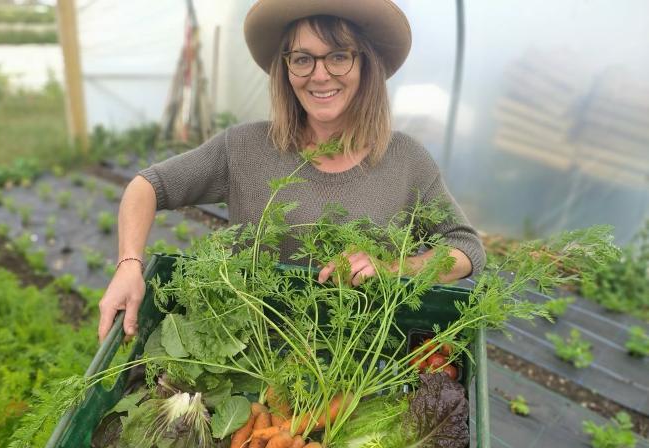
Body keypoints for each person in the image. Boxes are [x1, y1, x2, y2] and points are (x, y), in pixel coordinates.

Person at [97, 0, 486, 343]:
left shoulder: (405, 159)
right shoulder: (243, 147)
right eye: (302, 59)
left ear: (365, 63)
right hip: (246, 354)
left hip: (360, 358)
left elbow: (466, 248)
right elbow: (147, 186)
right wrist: (129, 264)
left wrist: (394, 268)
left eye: (338, 56)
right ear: (285, 69)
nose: (320, 75)